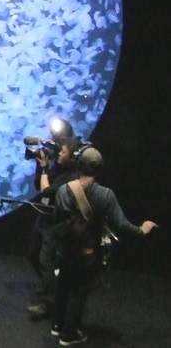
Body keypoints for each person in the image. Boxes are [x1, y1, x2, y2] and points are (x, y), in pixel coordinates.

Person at [52, 147, 158, 346]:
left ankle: (56, 325)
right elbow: (121, 224)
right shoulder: (105, 195)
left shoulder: (63, 190)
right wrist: (142, 230)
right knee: (79, 291)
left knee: (63, 285)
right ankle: (68, 334)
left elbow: (57, 218)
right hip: (87, 252)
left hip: (65, 248)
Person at [27, 120, 81, 319]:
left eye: (62, 149)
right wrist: (40, 165)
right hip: (44, 214)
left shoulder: (73, 175)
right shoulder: (56, 166)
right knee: (34, 254)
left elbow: (47, 191)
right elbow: (38, 185)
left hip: (56, 219)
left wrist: (43, 169)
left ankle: (50, 302)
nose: (58, 151)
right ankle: (51, 287)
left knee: (46, 260)